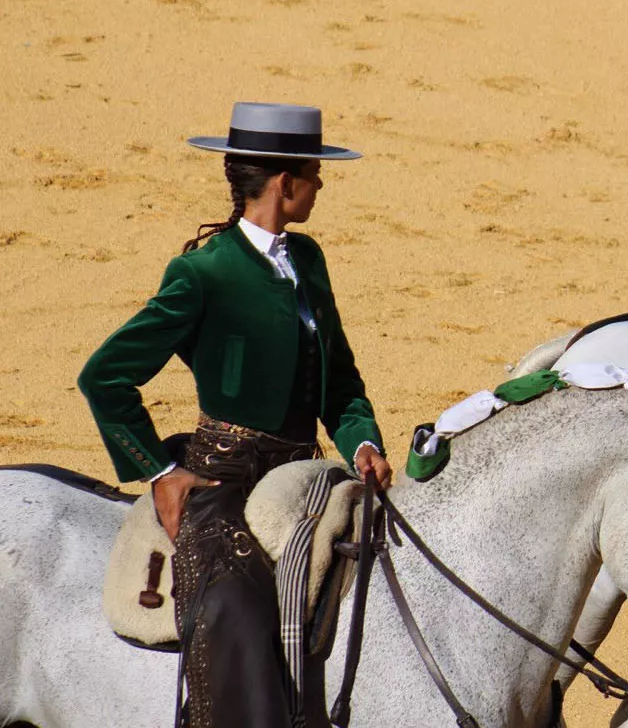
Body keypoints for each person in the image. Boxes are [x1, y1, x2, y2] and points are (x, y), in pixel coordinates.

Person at [79, 102, 393, 728]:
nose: (321, 184)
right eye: (315, 173)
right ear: (285, 183)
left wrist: (362, 444)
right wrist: (159, 470)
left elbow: (339, 382)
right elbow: (104, 376)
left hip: (304, 476)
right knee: (237, 608)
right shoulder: (204, 273)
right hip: (221, 481)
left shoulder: (308, 262)